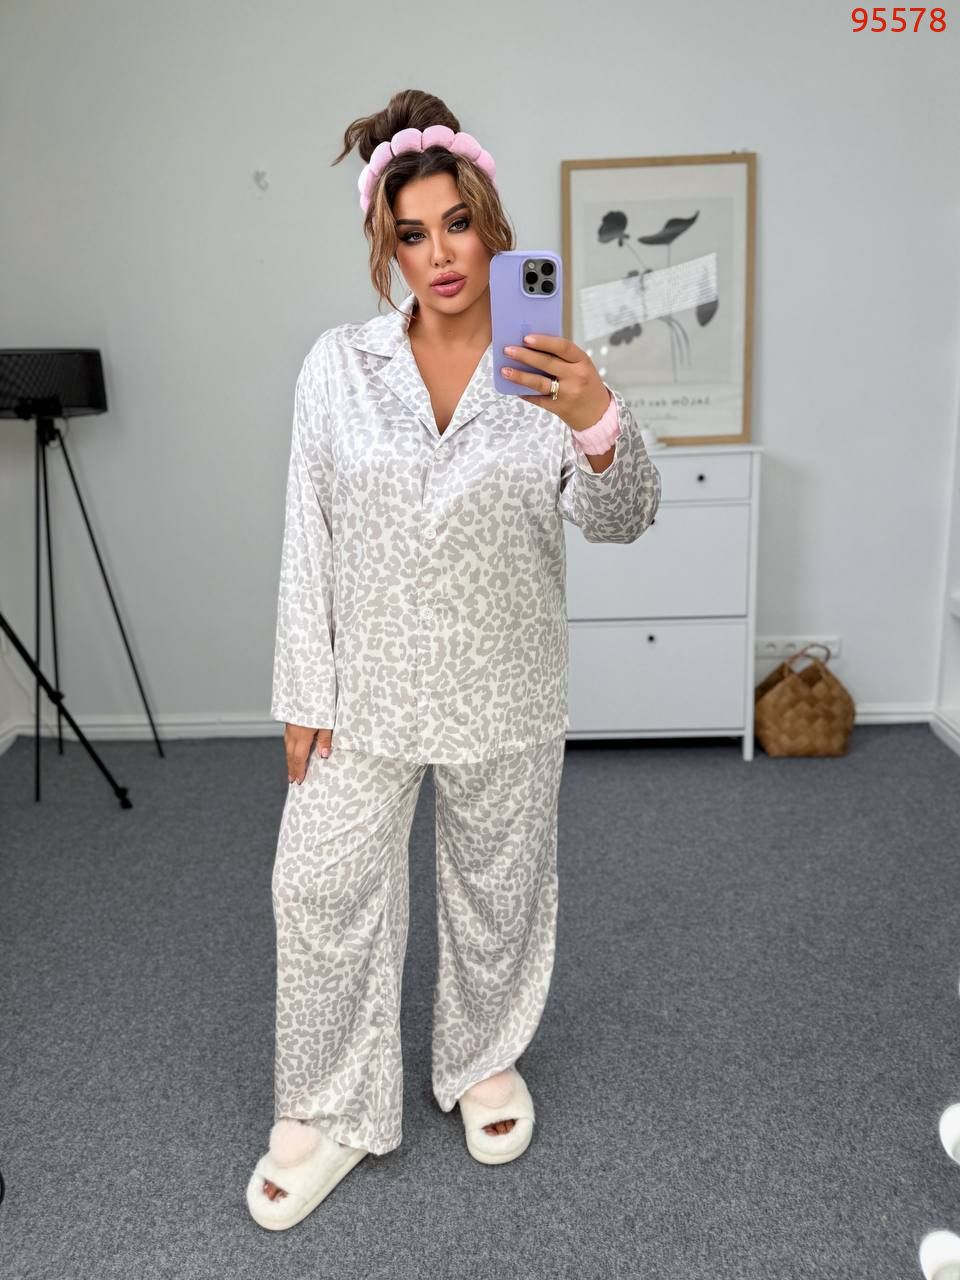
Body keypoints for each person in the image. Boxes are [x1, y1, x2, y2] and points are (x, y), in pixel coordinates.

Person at [246, 89, 662, 1231]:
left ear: (491, 224)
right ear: (387, 246)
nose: (441, 254)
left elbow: (624, 516)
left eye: (458, 224)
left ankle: (483, 1058)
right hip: (366, 690)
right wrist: (303, 687)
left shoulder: (547, 370)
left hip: (505, 682)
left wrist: (596, 417)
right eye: (413, 233)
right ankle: (330, 1102)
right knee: (317, 887)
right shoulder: (339, 366)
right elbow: (307, 531)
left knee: (497, 888)